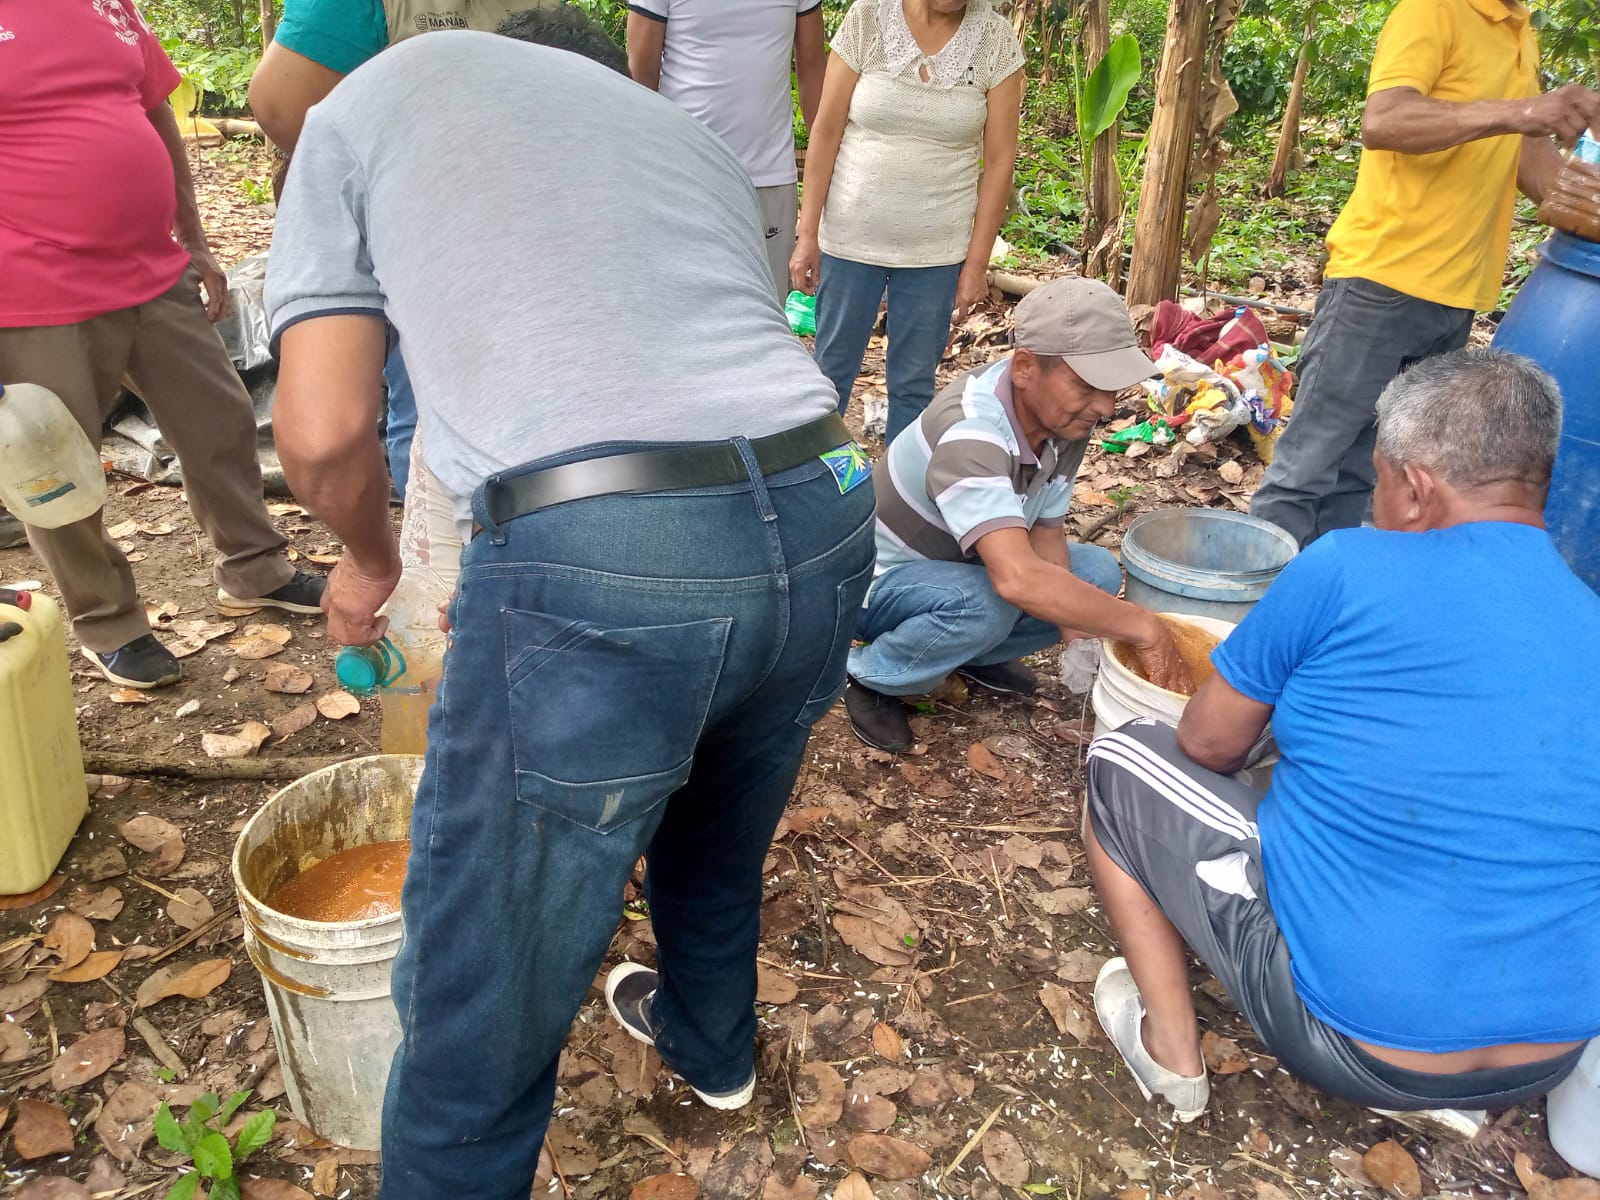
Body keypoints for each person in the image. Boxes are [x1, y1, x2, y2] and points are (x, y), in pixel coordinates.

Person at [263, 17, 875, 1199]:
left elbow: (324, 432)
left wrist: (369, 563)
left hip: (611, 544)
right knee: (717, 823)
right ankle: (711, 1047)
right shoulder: (686, 141)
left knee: (478, 989)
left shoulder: (361, 108)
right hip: (830, 501)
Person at [1085, 349, 1600, 1125]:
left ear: (1417, 490)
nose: (1374, 506)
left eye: (1379, 482)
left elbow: (1209, 744)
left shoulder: (1346, 566)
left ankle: (1170, 1052)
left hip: (1361, 1043)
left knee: (1123, 757)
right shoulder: (1588, 618)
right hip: (1551, 1057)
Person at [0, 0, 323, 690]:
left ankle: (255, 569)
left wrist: (193, 237)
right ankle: (110, 623)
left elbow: (154, 112)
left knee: (219, 420)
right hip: (32, 286)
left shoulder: (106, 4)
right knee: (55, 467)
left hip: (151, 268)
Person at [1250, 0, 1600, 547]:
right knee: (1307, 472)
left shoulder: (1519, 31)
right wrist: (1521, 111)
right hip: (1382, 282)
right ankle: (1261, 598)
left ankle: (1329, 593)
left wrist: (1583, 194)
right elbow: (1385, 120)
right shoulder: (1432, 11)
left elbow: (1528, 158)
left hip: (1457, 296)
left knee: (1370, 473)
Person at [843, 277, 1191, 753]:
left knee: (1095, 573)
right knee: (992, 602)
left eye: (1111, 388)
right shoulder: (973, 432)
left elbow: (1046, 532)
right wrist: (1145, 628)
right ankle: (875, 675)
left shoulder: (1057, 419)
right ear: (1025, 367)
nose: (1106, 407)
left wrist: (1077, 640)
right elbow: (1017, 579)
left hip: (961, 570)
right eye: (1088, 386)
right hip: (874, 586)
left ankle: (967, 653)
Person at [248, 0, 562, 499]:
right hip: (431, 234)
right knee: (426, 407)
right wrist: (407, 179)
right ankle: (433, 531)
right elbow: (281, 104)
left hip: (537, 233)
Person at [791, 0, 1025, 443]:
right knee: (830, 373)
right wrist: (807, 234)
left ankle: (898, 484)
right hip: (850, 238)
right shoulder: (868, 18)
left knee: (914, 385)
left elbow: (999, 164)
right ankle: (820, 478)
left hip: (936, 252)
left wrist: (975, 265)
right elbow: (825, 130)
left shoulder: (995, 41)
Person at [627, 0, 826, 300]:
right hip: (685, 179)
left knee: (764, 310)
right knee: (681, 304)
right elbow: (639, 82)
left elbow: (812, 69)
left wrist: (827, 177)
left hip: (768, 180)